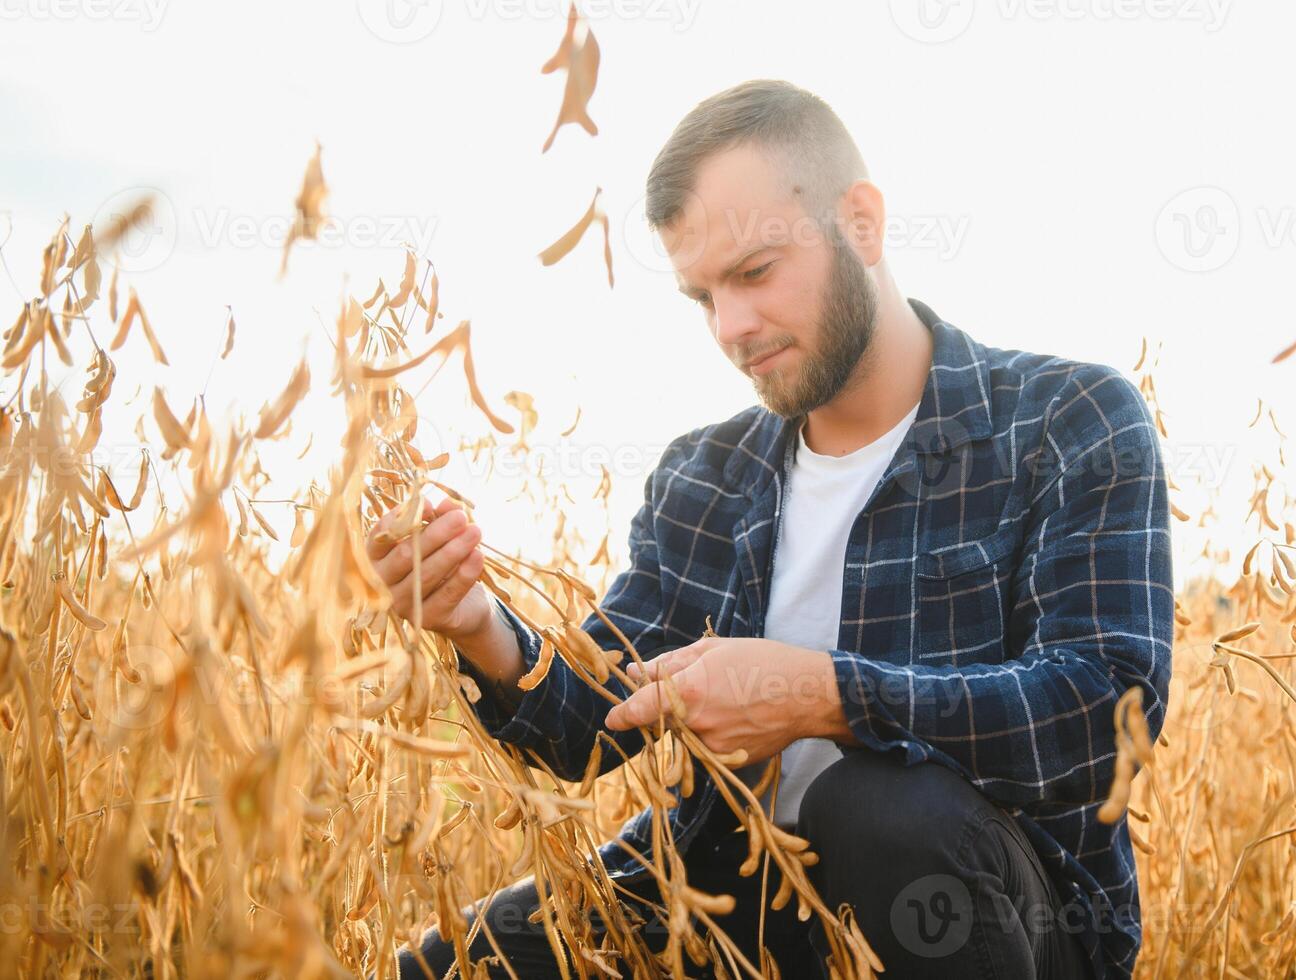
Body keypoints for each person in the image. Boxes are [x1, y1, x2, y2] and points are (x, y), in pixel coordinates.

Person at [372, 79, 1173, 979]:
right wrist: (473, 617)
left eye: (753, 273)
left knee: (879, 808)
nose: (730, 327)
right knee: (452, 965)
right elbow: (594, 718)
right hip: (728, 892)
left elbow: (1107, 714)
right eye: (701, 296)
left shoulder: (1066, 420)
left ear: (861, 224)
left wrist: (822, 695)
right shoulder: (702, 475)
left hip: (992, 917)